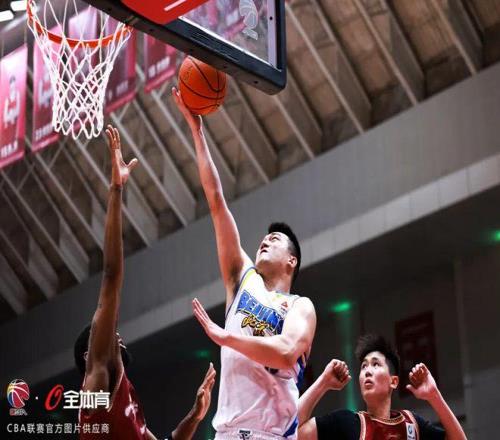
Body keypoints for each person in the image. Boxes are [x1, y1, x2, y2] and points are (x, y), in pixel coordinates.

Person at [172, 88, 317, 440]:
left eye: (275, 240)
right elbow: (216, 199)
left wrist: (227, 337)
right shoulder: (242, 277)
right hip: (225, 433)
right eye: (264, 238)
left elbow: (286, 353)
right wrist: (197, 133)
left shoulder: (300, 307)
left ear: (292, 261)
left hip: (270, 434)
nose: (265, 241)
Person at [73, 125, 216, 440]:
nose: (117, 334)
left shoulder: (123, 398)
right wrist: (116, 190)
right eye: (107, 332)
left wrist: (195, 415)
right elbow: (111, 275)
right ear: (90, 354)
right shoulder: (97, 382)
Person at [298, 334, 466, 440]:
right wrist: (323, 383)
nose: (367, 371)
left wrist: (434, 396)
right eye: (364, 366)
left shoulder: (412, 425)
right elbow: (292, 431)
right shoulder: (345, 423)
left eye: (376, 364)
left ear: (393, 381)